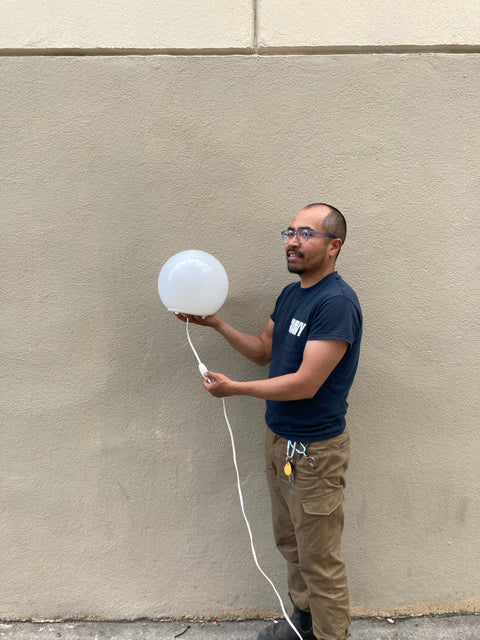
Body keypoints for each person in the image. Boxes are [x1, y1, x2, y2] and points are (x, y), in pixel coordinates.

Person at [176, 203, 362, 640]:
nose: (292, 241)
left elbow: (305, 384)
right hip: (280, 440)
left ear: (334, 246)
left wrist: (236, 389)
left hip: (315, 453)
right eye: (289, 231)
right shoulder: (291, 294)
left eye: (306, 234)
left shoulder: (336, 303)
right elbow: (263, 351)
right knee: (292, 546)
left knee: (321, 561)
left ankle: (330, 636)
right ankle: (305, 625)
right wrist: (216, 323)